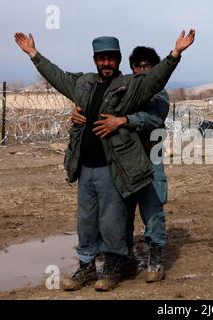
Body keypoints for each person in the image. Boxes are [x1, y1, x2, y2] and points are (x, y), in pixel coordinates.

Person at [14, 30, 195, 292]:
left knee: (143, 212)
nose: (107, 63)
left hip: (136, 161)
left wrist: (175, 53)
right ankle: (104, 263)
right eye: (102, 58)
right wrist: (34, 55)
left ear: (118, 60)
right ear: (96, 60)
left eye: (111, 58)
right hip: (100, 164)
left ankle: (139, 261)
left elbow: (153, 95)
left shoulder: (137, 89)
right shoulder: (91, 85)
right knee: (95, 219)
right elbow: (60, 78)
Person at [72, 46, 170, 283]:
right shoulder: (125, 90)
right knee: (120, 212)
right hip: (122, 161)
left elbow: (154, 118)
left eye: (148, 66)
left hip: (149, 158)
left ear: (155, 68)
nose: (142, 70)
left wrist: (125, 120)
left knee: (152, 208)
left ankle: (154, 258)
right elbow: (101, 109)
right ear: (132, 68)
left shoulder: (157, 94)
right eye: (138, 66)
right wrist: (80, 112)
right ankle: (124, 260)